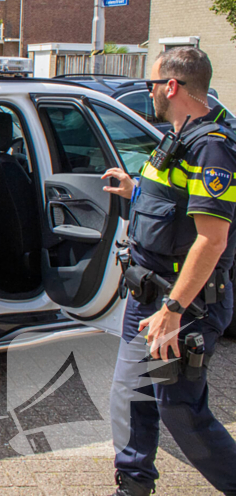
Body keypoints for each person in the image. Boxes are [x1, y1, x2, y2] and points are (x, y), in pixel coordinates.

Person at [101, 47, 236, 496]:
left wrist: (174, 310)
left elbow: (211, 238)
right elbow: (175, 205)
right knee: (131, 395)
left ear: (172, 87)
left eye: (151, 85)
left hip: (182, 304)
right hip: (147, 295)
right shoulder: (177, 135)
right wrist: (134, 188)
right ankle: (134, 484)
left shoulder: (212, 147)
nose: (150, 93)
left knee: (178, 409)